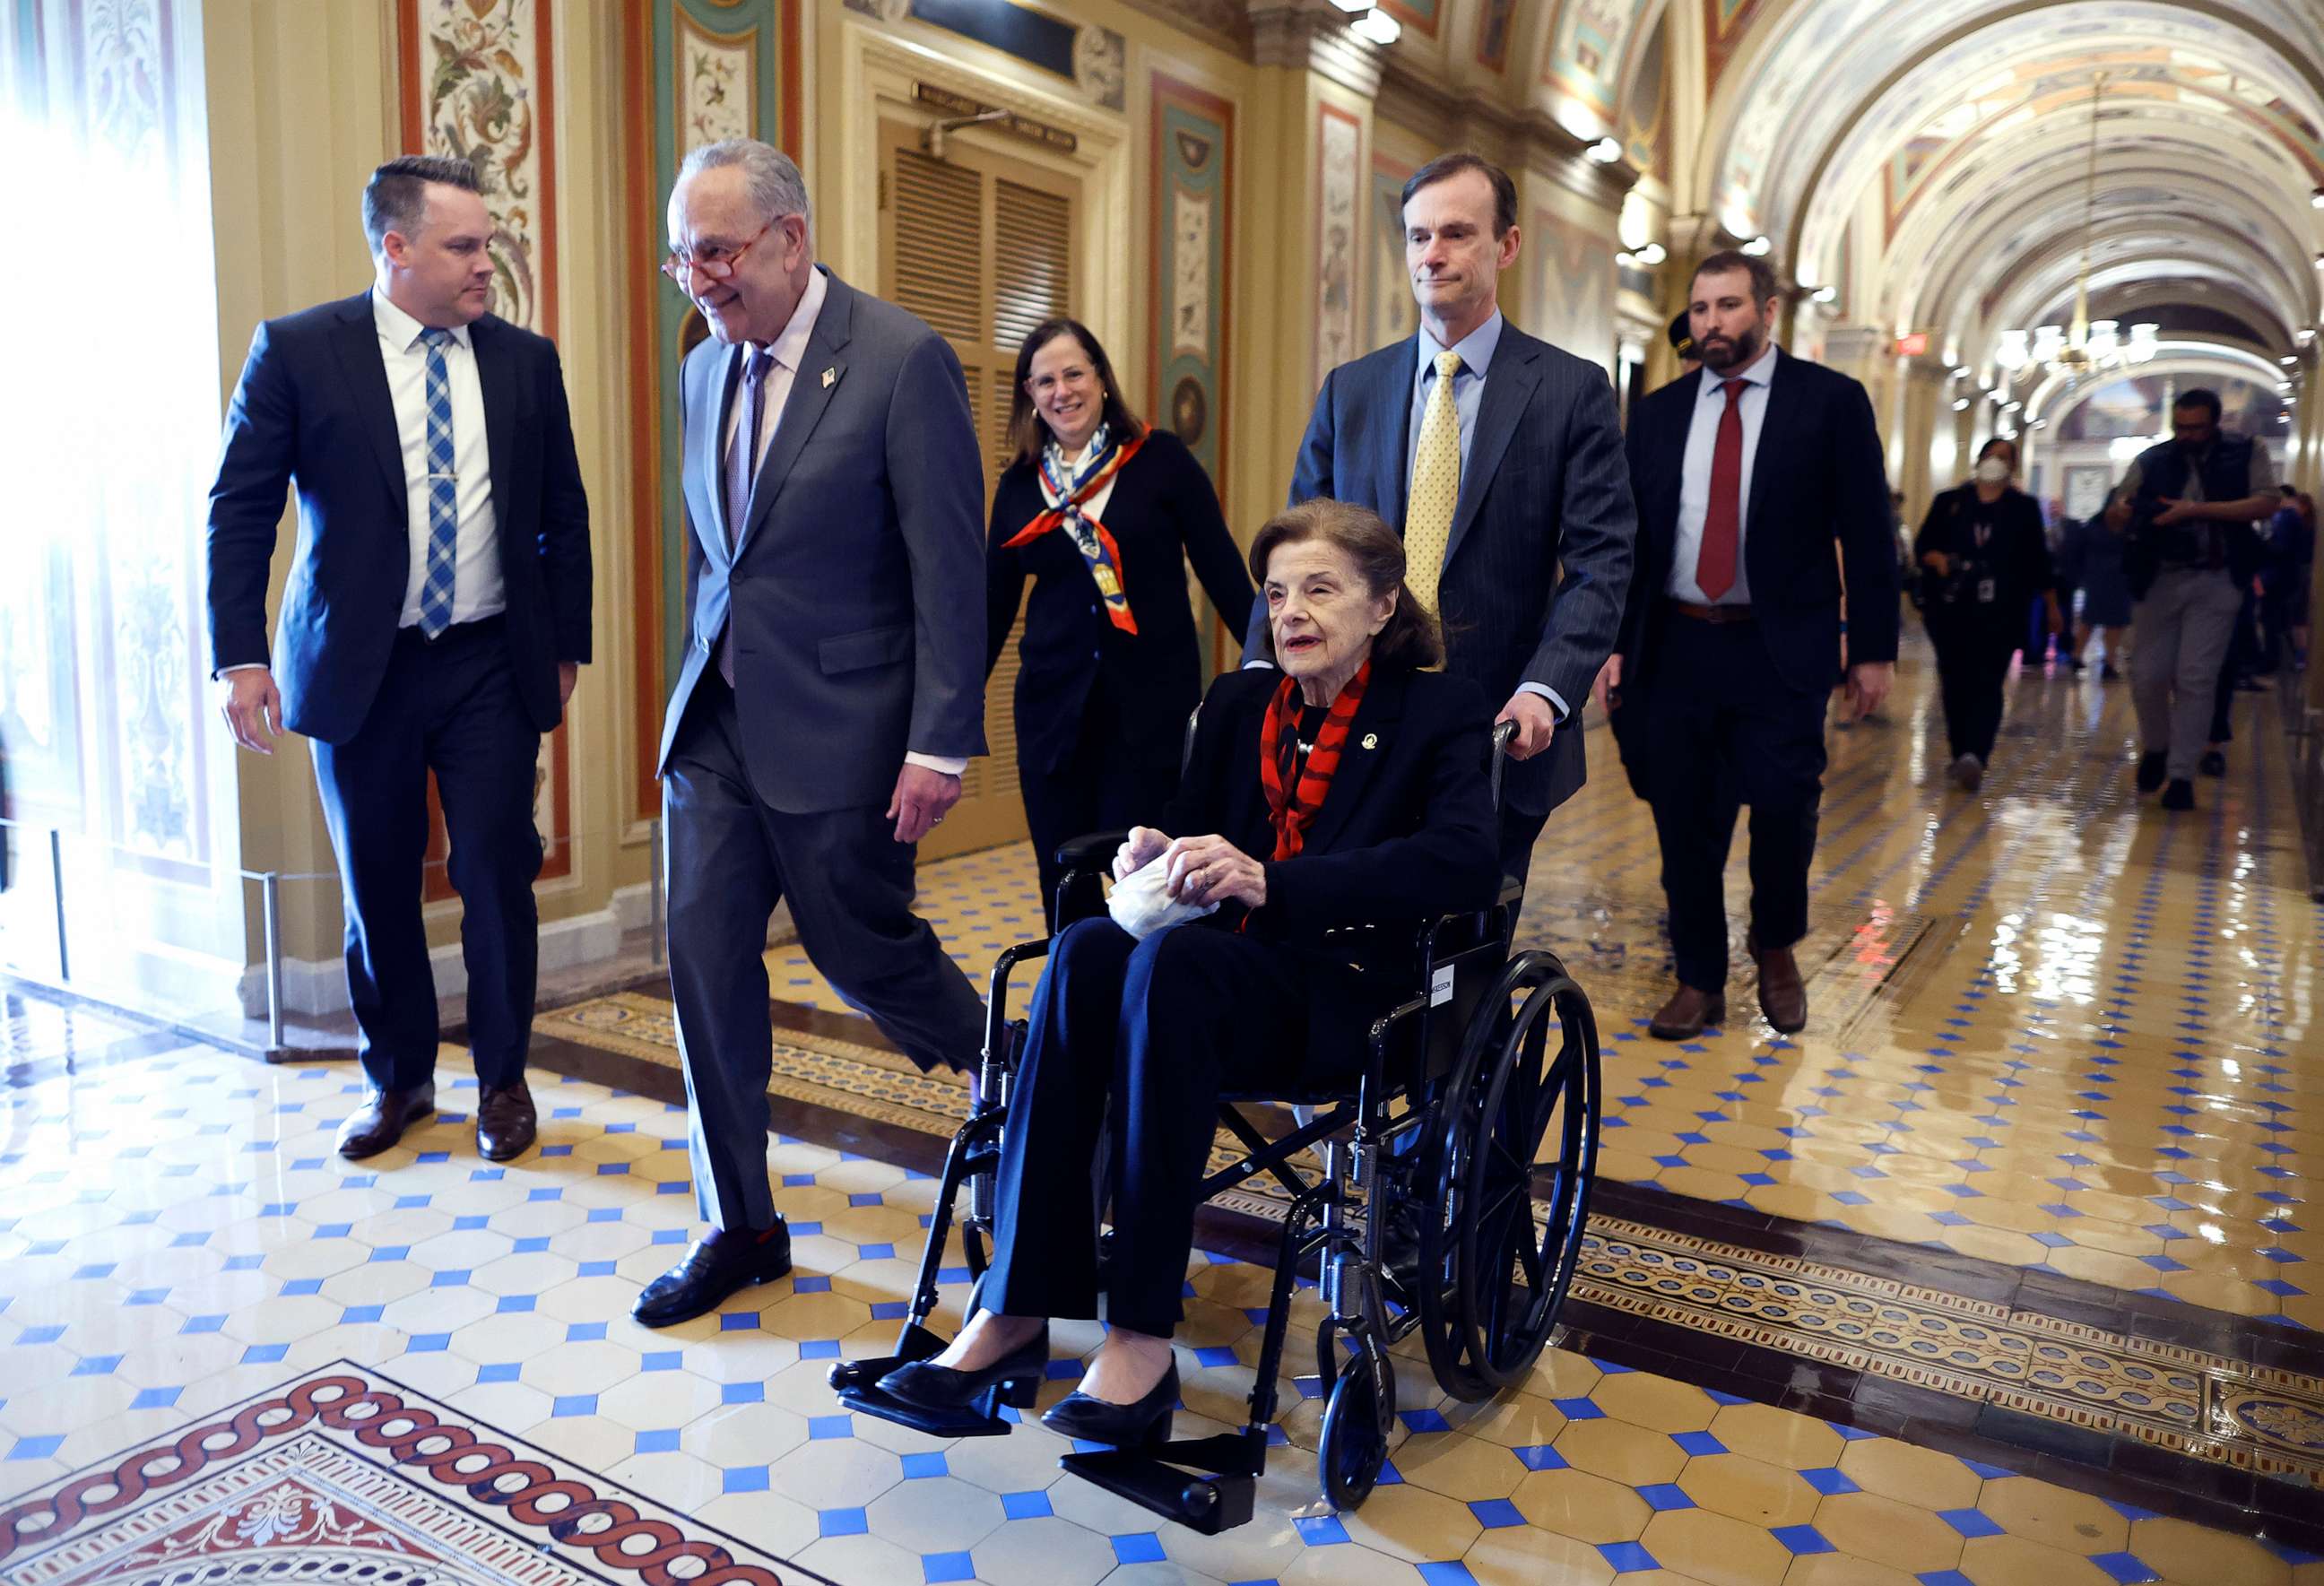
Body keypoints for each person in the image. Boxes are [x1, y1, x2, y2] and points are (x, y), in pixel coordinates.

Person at [872, 499, 1500, 1438]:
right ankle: (1014, 1306)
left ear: (1380, 605)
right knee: (1088, 947)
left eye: (1320, 589)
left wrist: (1274, 881)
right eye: (1278, 592)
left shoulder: (1439, 711)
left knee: (1173, 966)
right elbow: (1194, 821)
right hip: (1219, 975)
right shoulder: (1244, 703)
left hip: (1350, 992)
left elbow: (1463, 861)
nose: (1291, 610)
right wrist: (1158, 849)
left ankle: (1139, 1338)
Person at [637, 138, 988, 1328]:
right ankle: (738, 1220)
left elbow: (951, 573)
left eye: (719, 251)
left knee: (866, 955)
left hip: (848, 729)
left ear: (791, 237)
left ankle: (1024, 1096)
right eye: (683, 256)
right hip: (718, 728)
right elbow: (715, 558)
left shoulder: (900, 362)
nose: (700, 277)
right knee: (701, 965)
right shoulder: (699, 367)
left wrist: (939, 742)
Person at [205, 155, 593, 1163]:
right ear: (396, 247)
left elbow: (563, 513)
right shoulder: (297, 351)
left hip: (486, 662)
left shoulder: (524, 360)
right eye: (464, 246)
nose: (485, 264)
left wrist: (566, 646)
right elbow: (240, 508)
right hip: (356, 665)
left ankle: (503, 1081)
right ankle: (401, 1081)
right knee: (377, 881)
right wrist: (239, 656)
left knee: (497, 871)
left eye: (489, 243)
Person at [1243, 152, 1634, 889]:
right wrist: (1262, 669)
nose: (1433, 254)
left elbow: (1600, 562)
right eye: (1418, 236)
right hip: (1349, 714)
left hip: (1496, 726)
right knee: (1333, 918)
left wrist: (1546, 688)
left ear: (1506, 245)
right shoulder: (1350, 390)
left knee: (1461, 947)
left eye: (1456, 233)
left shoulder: (1570, 392)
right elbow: (1295, 553)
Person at [1596, 250, 1897, 1040]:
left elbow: (1868, 532)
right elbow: (1630, 542)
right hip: (1679, 645)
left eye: (1728, 306)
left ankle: (1775, 944)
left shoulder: (1828, 402)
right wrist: (1614, 642)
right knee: (1682, 819)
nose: (1711, 323)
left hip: (1778, 647)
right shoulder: (1659, 414)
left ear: (1767, 312)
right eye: (1700, 309)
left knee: (1784, 808)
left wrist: (1871, 649)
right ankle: (1699, 977)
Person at [987, 318, 1253, 927]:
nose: (1062, 390)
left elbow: (1224, 574)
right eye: (1044, 380)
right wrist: (941, 721)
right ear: (1029, 394)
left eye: (1074, 372)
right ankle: (1077, 1011)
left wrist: (1275, 666)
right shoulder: (1020, 487)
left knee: (1147, 885)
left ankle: (1142, 1012)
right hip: (1052, 722)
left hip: (1150, 716)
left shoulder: (1161, 460)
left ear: (1102, 379)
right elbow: (990, 606)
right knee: (1064, 883)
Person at [2103, 388, 2277, 812]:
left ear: (2214, 423)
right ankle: (2158, 748)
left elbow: (2266, 502)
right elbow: (2114, 512)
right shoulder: (2153, 459)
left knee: (2197, 677)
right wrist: (2122, 513)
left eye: (2197, 427)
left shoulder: (2246, 450)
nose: (2188, 435)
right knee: (2146, 675)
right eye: (2181, 427)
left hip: (2219, 577)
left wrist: (2197, 511)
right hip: (2159, 576)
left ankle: (2181, 774)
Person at [1913, 438, 2059, 791]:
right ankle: (1960, 750)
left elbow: (2038, 560)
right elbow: (1922, 547)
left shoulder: (2022, 509)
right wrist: (1937, 560)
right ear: (1979, 460)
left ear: (2014, 466)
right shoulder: (1950, 502)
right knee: (1954, 680)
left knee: (1988, 681)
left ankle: (1977, 754)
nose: (1995, 463)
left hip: (2002, 609)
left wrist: (2052, 606)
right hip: (1951, 607)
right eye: (1990, 456)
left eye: (2004, 458)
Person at [2069, 506, 2132, 678]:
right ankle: (2108, 662)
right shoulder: (2128, 529)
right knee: (2114, 623)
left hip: (2097, 578)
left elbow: (2078, 552)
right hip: (2118, 579)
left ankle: (2077, 655)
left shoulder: (2092, 528)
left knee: (2089, 619)